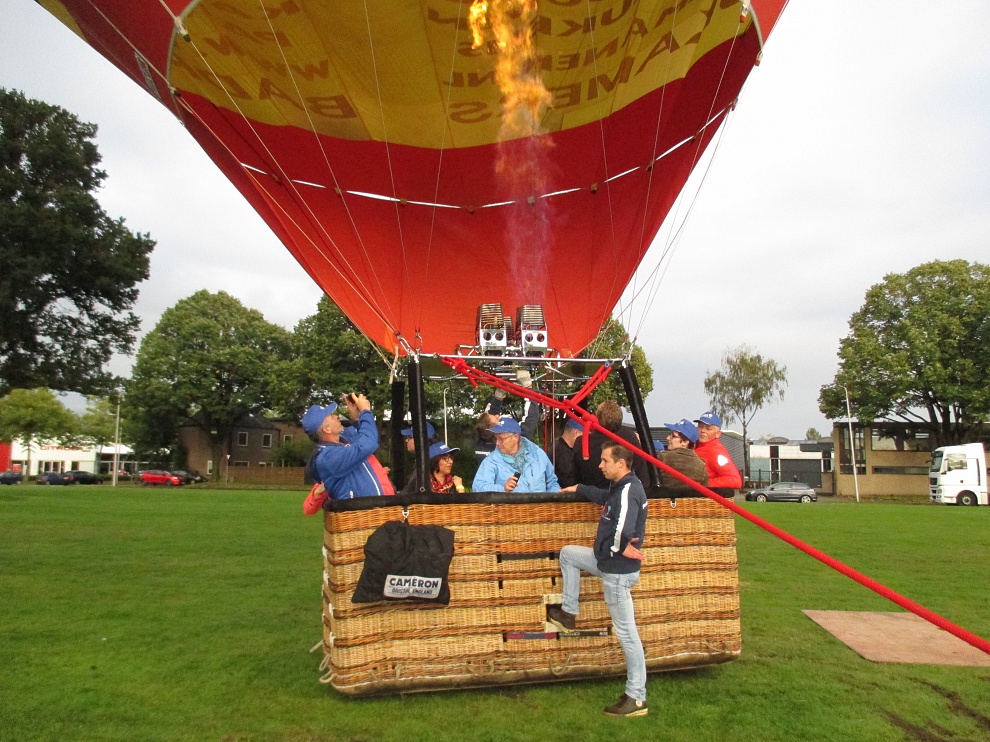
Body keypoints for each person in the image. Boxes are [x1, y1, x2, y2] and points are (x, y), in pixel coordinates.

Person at [553, 442, 649, 717]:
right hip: (607, 561)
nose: (600, 465)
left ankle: (636, 697)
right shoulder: (620, 487)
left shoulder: (629, 490)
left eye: (605, 460)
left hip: (617, 572)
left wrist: (618, 547)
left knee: (627, 634)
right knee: (569, 554)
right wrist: (580, 488)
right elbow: (606, 499)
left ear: (621, 463)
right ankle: (569, 612)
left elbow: (623, 529)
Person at [301, 394, 395, 515]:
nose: (336, 416)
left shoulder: (341, 441)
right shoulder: (327, 457)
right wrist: (365, 411)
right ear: (327, 429)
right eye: (331, 416)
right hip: (361, 518)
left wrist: (357, 417)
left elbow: (361, 437)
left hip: (376, 513)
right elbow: (368, 444)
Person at [573, 400, 649, 488]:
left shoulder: (582, 441)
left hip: (589, 492)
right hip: (623, 489)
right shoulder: (629, 436)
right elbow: (641, 470)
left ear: (598, 417)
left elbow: (574, 473)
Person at [472, 417, 560, 493]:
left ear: (515, 437)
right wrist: (502, 489)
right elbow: (478, 487)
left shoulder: (537, 453)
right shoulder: (491, 461)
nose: (497, 443)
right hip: (509, 508)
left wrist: (555, 496)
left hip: (541, 507)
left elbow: (552, 482)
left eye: (501, 439)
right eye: (496, 438)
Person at [474, 369, 540, 464]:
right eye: (497, 419)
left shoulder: (481, 440)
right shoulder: (512, 441)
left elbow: (490, 418)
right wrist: (528, 387)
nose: (498, 415)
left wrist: (499, 396)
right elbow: (531, 418)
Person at [693, 411, 742, 495]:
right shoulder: (695, 446)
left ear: (718, 434)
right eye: (700, 426)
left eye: (708, 428)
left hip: (704, 499)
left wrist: (703, 485)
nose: (703, 431)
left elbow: (734, 480)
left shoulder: (716, 451)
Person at [655, 419, 708, 493]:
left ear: (685, 442)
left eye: (673, 436)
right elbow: (705, 491)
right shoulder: (701, 465)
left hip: (663, 499)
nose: (668, 438)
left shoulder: (663, 457)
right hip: (691, 500)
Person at [553, 418, 583, 488]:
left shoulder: (562, 448)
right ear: (575, 433)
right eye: (583, 435)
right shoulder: (560, 451)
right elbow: (568, 481)